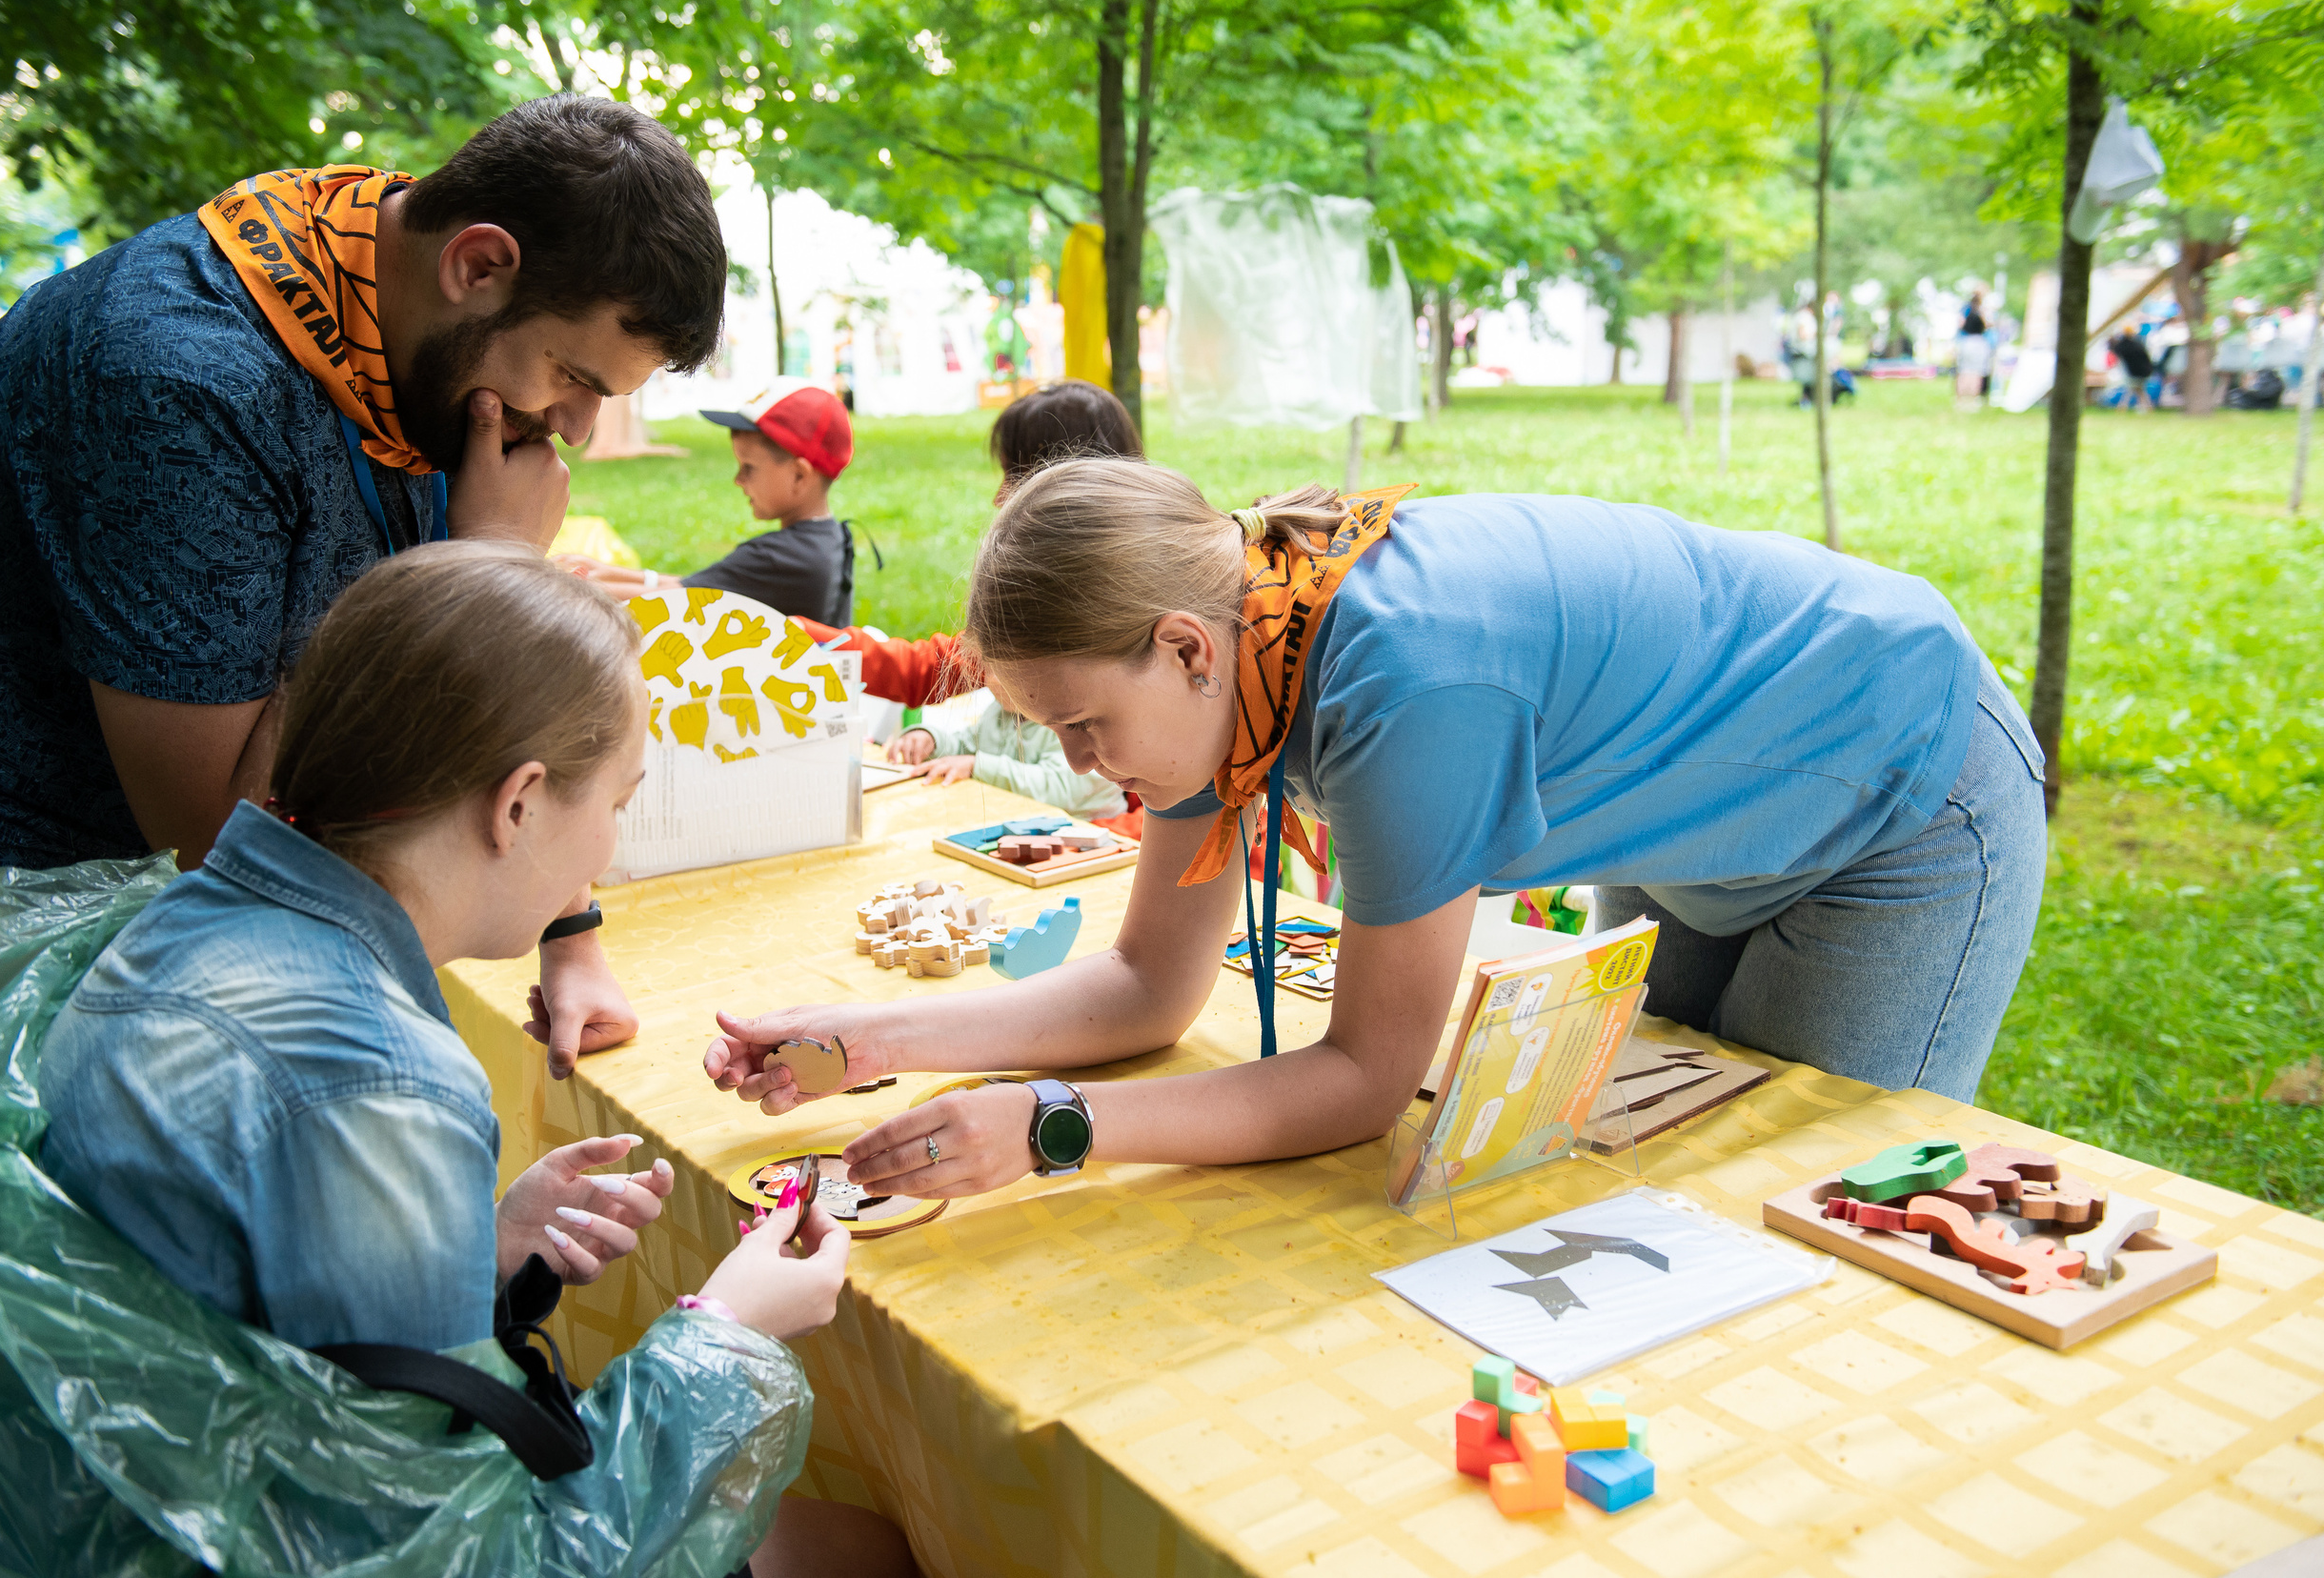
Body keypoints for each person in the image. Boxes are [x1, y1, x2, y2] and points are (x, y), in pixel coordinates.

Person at [705, 472, 2047, 1203]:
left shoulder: (1404, 691)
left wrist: (1056, 1127)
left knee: (1808, 1195)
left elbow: (1358, 1082)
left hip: (1901, 787)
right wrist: (881, 1038)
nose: (1080, 764)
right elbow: (1149, 987)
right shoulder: (1227, 652)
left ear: (1179, 646)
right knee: (1664, 1168)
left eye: (1083, 727)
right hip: (1714, 793)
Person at [31, 542, 914, 1576]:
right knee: (871, 1550)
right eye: (618, 803)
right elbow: (465, 1555)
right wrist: (729, 1331)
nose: (610, 857)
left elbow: (265, 1301)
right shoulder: (381, 1079)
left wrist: (473, 1254)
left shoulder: (193, 921)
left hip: (97, 1509)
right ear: (519, 803)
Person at [0, 96, 719, 1084]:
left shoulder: (394, 316)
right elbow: (225, 838)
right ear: (479, 264)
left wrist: (568, 930)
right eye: (572, 374)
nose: (574, 426)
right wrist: (476, 566)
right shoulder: (179, 383)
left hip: (150, 914)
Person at [798, 378, 1144, 710]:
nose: (999, 499)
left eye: (1016, 477)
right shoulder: (1049, 596)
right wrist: (804, 638)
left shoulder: (1122, 615)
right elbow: (930, 671)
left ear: (1066, 485)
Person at [564, 378, 857, 622]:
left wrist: (569, 587)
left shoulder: (784, 558)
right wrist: (596, 571)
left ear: (799, 476)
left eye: (749, 467)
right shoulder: (823, 540)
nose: (738, 480)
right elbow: (693, 585)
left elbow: (678, 598)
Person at [886, 679, 1126, 819]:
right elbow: (968, 744)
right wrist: (931, 740)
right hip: (1022, 824)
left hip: (1090, 832)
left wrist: (975, 765)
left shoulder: (1073, 719)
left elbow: (1059, 788)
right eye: (989, 669)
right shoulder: (1001, 710)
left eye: (1006, 672)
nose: (993, 681)